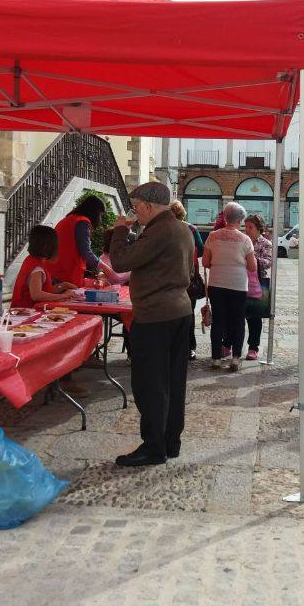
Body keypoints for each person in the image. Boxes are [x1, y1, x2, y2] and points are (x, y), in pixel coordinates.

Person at [106, 182, 194, 467]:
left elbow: (120, 262)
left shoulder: (160, 231)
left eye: (136, 208)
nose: (135, 214)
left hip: (156, 316)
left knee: (150, 384)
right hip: (179, 311)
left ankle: (154, 447)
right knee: (173, 381)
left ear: (147, 205)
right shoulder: (182, 228)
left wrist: (120, 230)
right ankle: (170, 441)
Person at [202, 202, 257, 371]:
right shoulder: (245, 239)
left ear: (225, 217)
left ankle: (216, 359)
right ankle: (235, 359)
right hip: (238, 284)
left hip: (217, 283)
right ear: (240, 219)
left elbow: (205, 262)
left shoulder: (213, 236)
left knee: (218, 321)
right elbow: (252, 266)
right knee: (238, 321)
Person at [170, 200, 204, 360]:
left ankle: (173, 346)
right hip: (189, 277)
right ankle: (190, 347)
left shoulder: (165, 229)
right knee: (188, 313)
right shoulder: (191, 228)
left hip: (169, 277)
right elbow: (201, 249)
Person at [10, 225, 75, 308]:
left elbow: (46, 290)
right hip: (26, 313)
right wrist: (63, 296)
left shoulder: (32, 260)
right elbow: (36, 295)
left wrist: (64, 285)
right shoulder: (37, 269)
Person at [50, 195, 106, 288]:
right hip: (64, 274)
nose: (100, 219)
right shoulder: (82, 222)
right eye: (101, 214)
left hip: (57, 271)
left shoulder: (71, 219)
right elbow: (85, 252)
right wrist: (105, 268)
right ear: (95, 212)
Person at [244, 213, 272, 361]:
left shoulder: (266, 243)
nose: (247, 230)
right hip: (241, 280)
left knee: (255, 316)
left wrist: (251, 257)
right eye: (246, 226)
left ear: (259, 228)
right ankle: (229, 343)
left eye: (250, 227)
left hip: (260, 281)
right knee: (238, 313)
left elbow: (268, 262)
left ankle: (253, 347)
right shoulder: (242, 240)